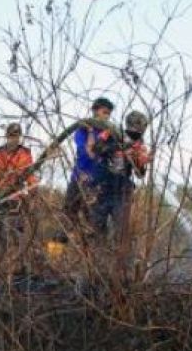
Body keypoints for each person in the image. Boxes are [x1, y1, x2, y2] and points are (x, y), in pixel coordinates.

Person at [0, 122, 38, 269]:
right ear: (7, 136)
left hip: (16, 197)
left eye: (16, 136)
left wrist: (33, 191)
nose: (14, 139)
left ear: (19, 137)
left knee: (16, 230)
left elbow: (29, 173)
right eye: (11, 135)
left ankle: (18, 264)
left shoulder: (24, 153)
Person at [91, 110, 152, 242]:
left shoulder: (140, 145)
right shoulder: (111, 132)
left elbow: (140, 174)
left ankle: (119, 257)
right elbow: (96, 149)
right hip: (103, 184)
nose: (138, 130)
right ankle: (98, 252)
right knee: (97, 225)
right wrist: (118, 148)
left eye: (141, 127)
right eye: (137, 125)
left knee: (121, 229)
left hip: (121, 189)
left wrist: (140, 162)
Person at [64, 97, 117, 225]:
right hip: (79, 177)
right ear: (95, 111)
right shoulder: (82, 129)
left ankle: (94, 243)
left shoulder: (110, 134)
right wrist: (91, 131)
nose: (106, 116)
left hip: (97, 182)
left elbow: (102, 155)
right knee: (68, 213)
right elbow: (88, 152)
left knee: (94, 220)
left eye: (108, 114)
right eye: (104, 112)